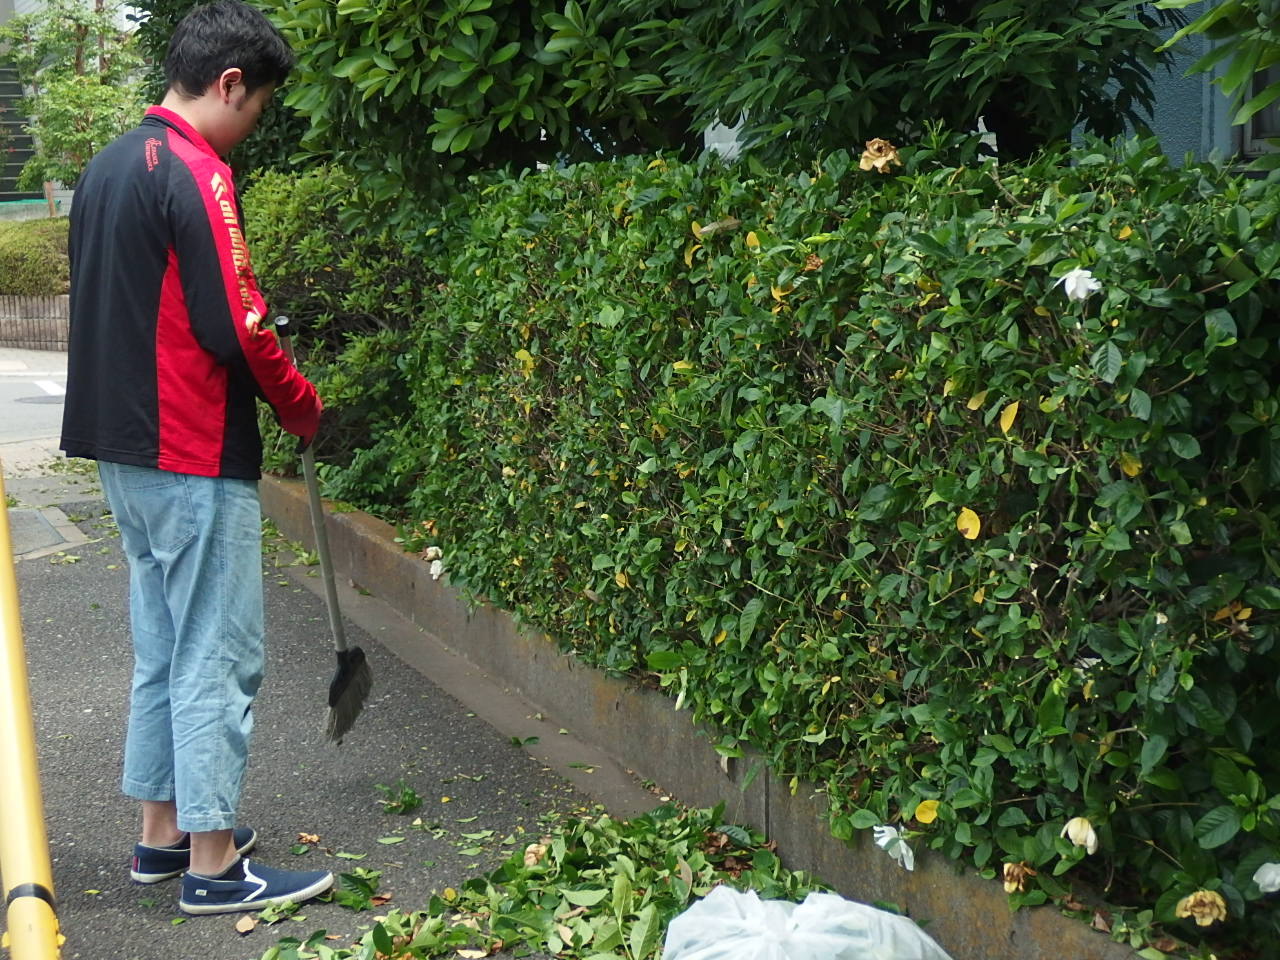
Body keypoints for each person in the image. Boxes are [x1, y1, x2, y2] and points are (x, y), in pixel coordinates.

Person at [59, 0, 334, 915]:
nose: (251, 129)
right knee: (216, 653)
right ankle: (216, 866)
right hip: (188, 447)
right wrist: (301, 403)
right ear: (228, 84)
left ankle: (162, 838)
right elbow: (238, 322)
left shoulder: (105, 166)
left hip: (120, 450)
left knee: (164, 649)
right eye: (255, 107)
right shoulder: (195, 169)